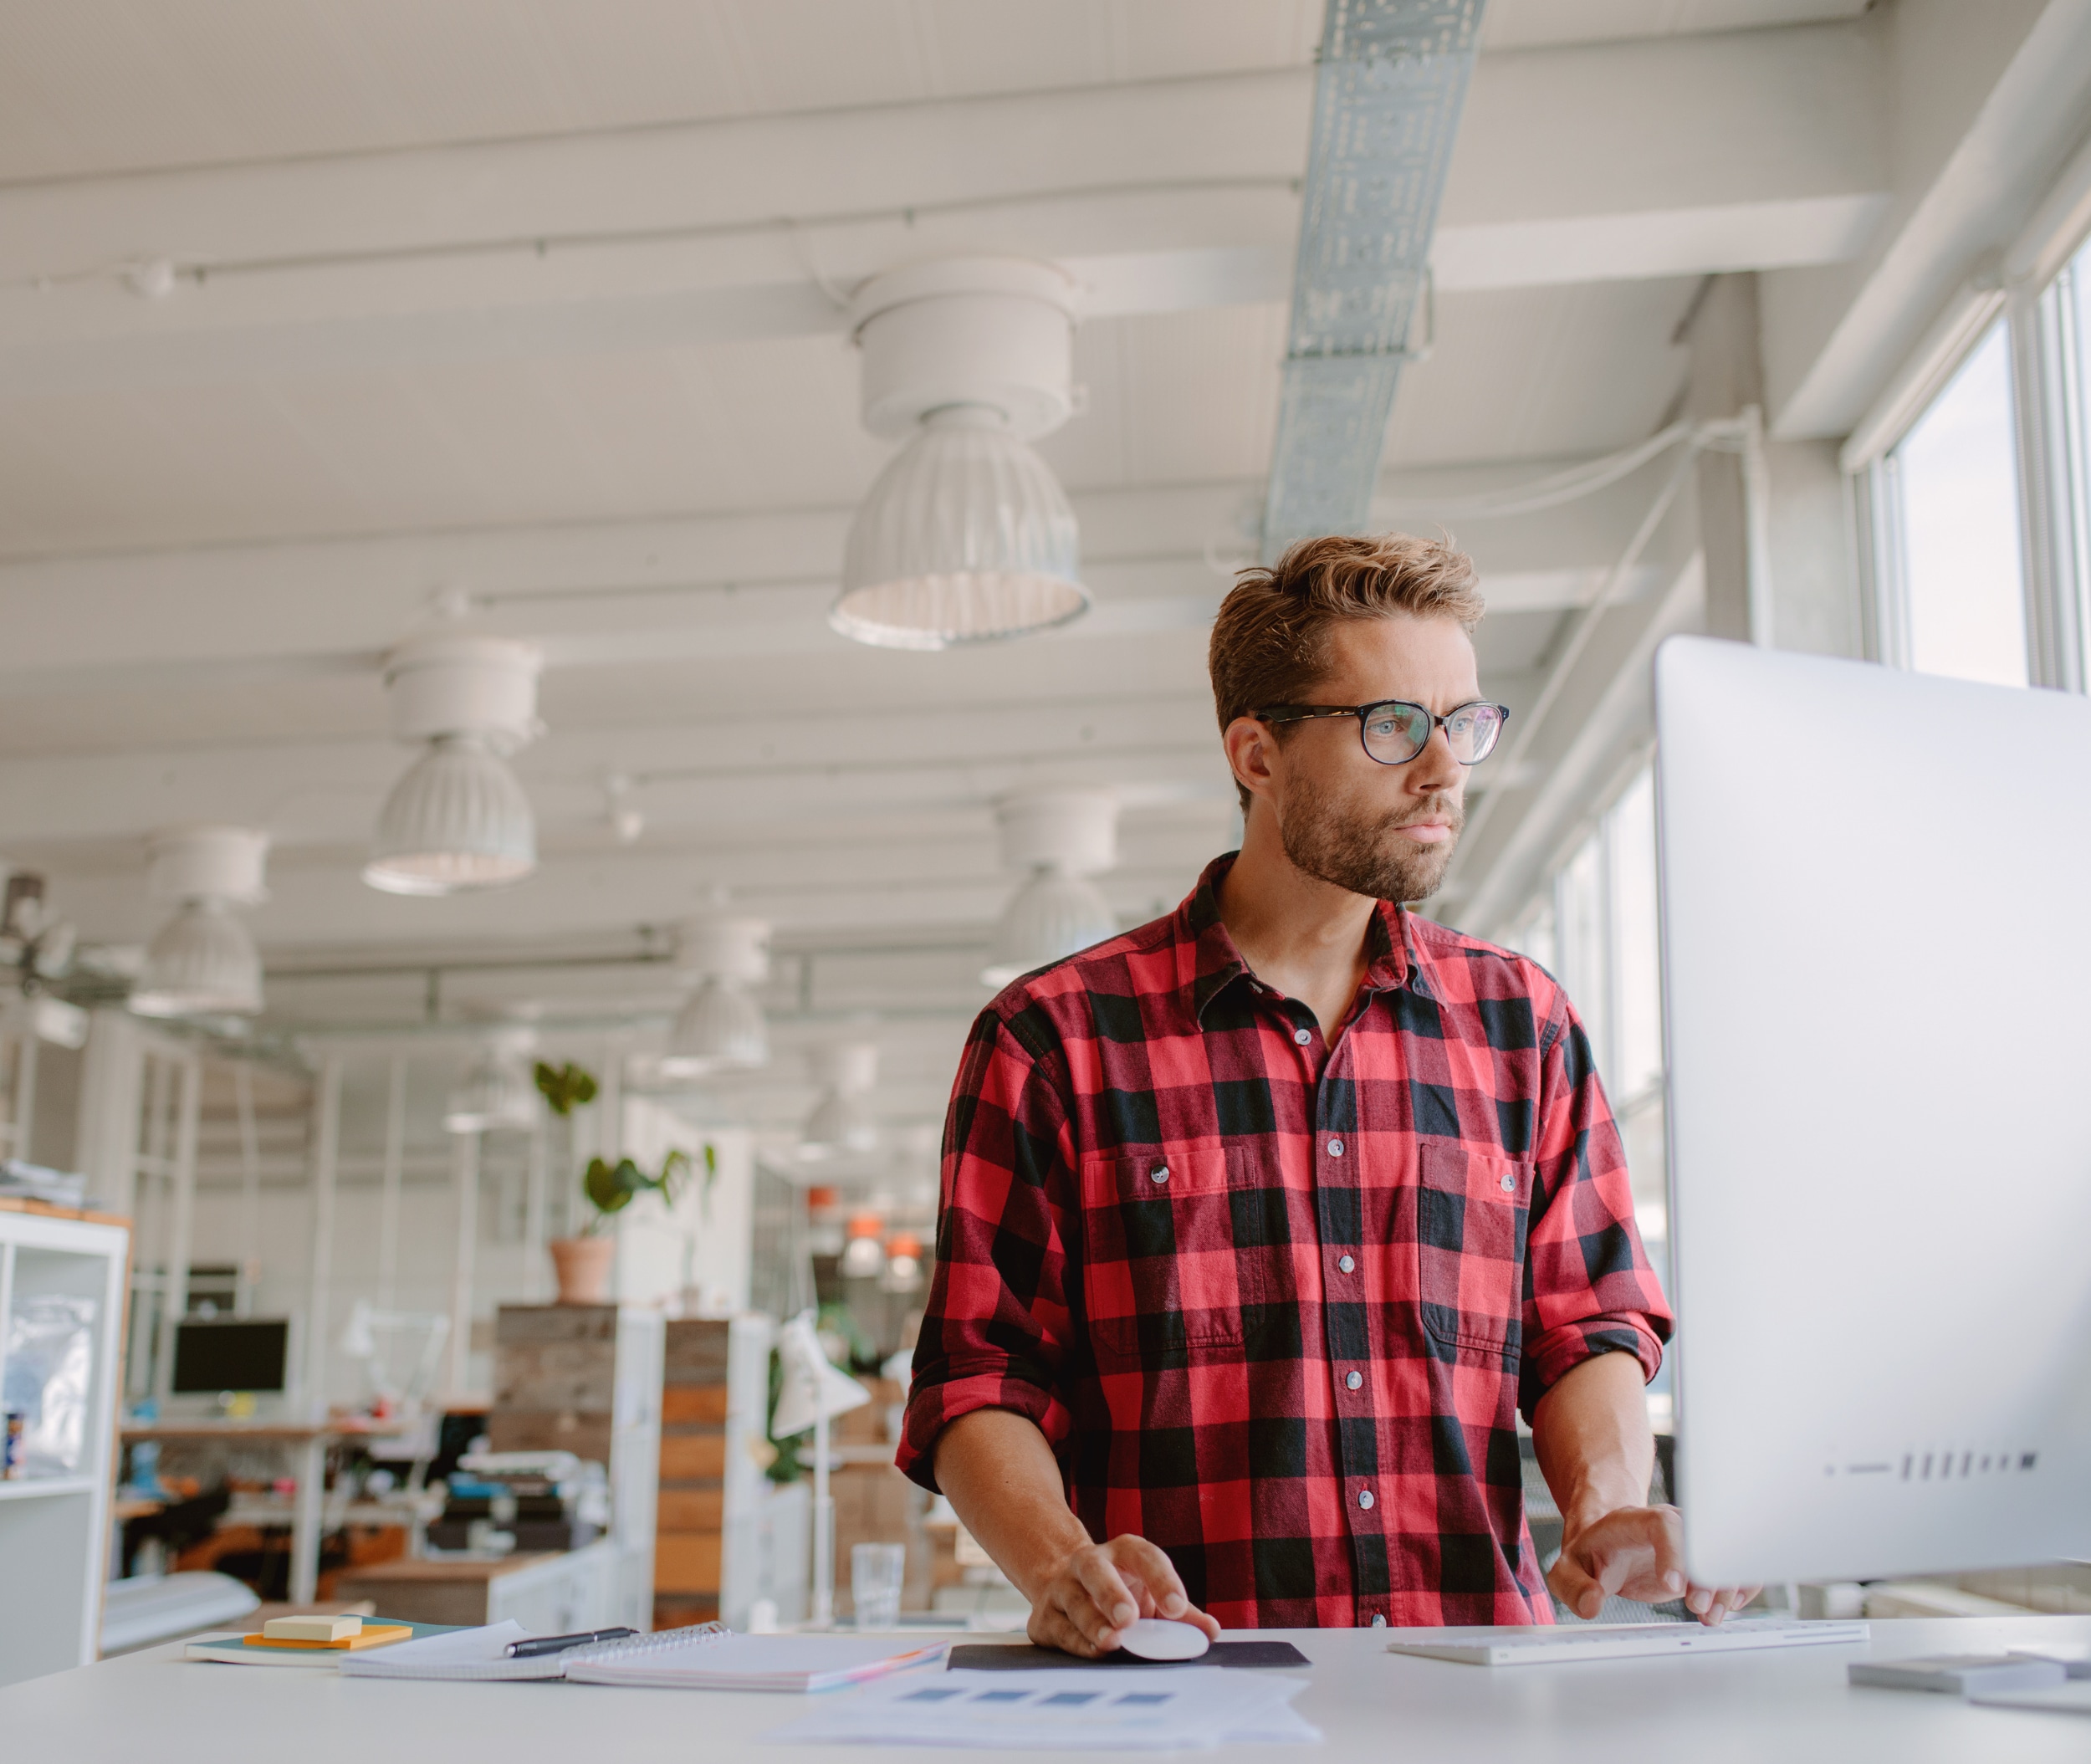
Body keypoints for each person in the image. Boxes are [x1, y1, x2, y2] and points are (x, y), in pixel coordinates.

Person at [898, 533, 1751, 1654]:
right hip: (1184, 1695)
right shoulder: (1053, 1039)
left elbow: (1585, 1322)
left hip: (1475, 1696)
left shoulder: (1522, 1026)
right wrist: (1066, 1567)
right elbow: (981, 1373)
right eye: (1394, 726)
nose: (1443, 769)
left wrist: (1602, 1506)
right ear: (1256, 751)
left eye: (1464, 725)